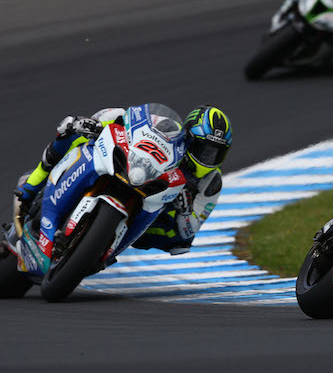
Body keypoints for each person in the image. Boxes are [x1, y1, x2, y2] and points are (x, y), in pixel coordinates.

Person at [13, 104, 233, 276]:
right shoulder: (169, 129)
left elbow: (190, 229)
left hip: (157, 217)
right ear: (188, 137)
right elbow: (128, 117)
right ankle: (35, 182)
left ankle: (100, 249)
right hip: (137, 175)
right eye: (203, 149)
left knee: (177, 239)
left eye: (215, 154)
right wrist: (96, 122)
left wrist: (184, 210)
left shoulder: (211, 183)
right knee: (72, 131)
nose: (207, 158)